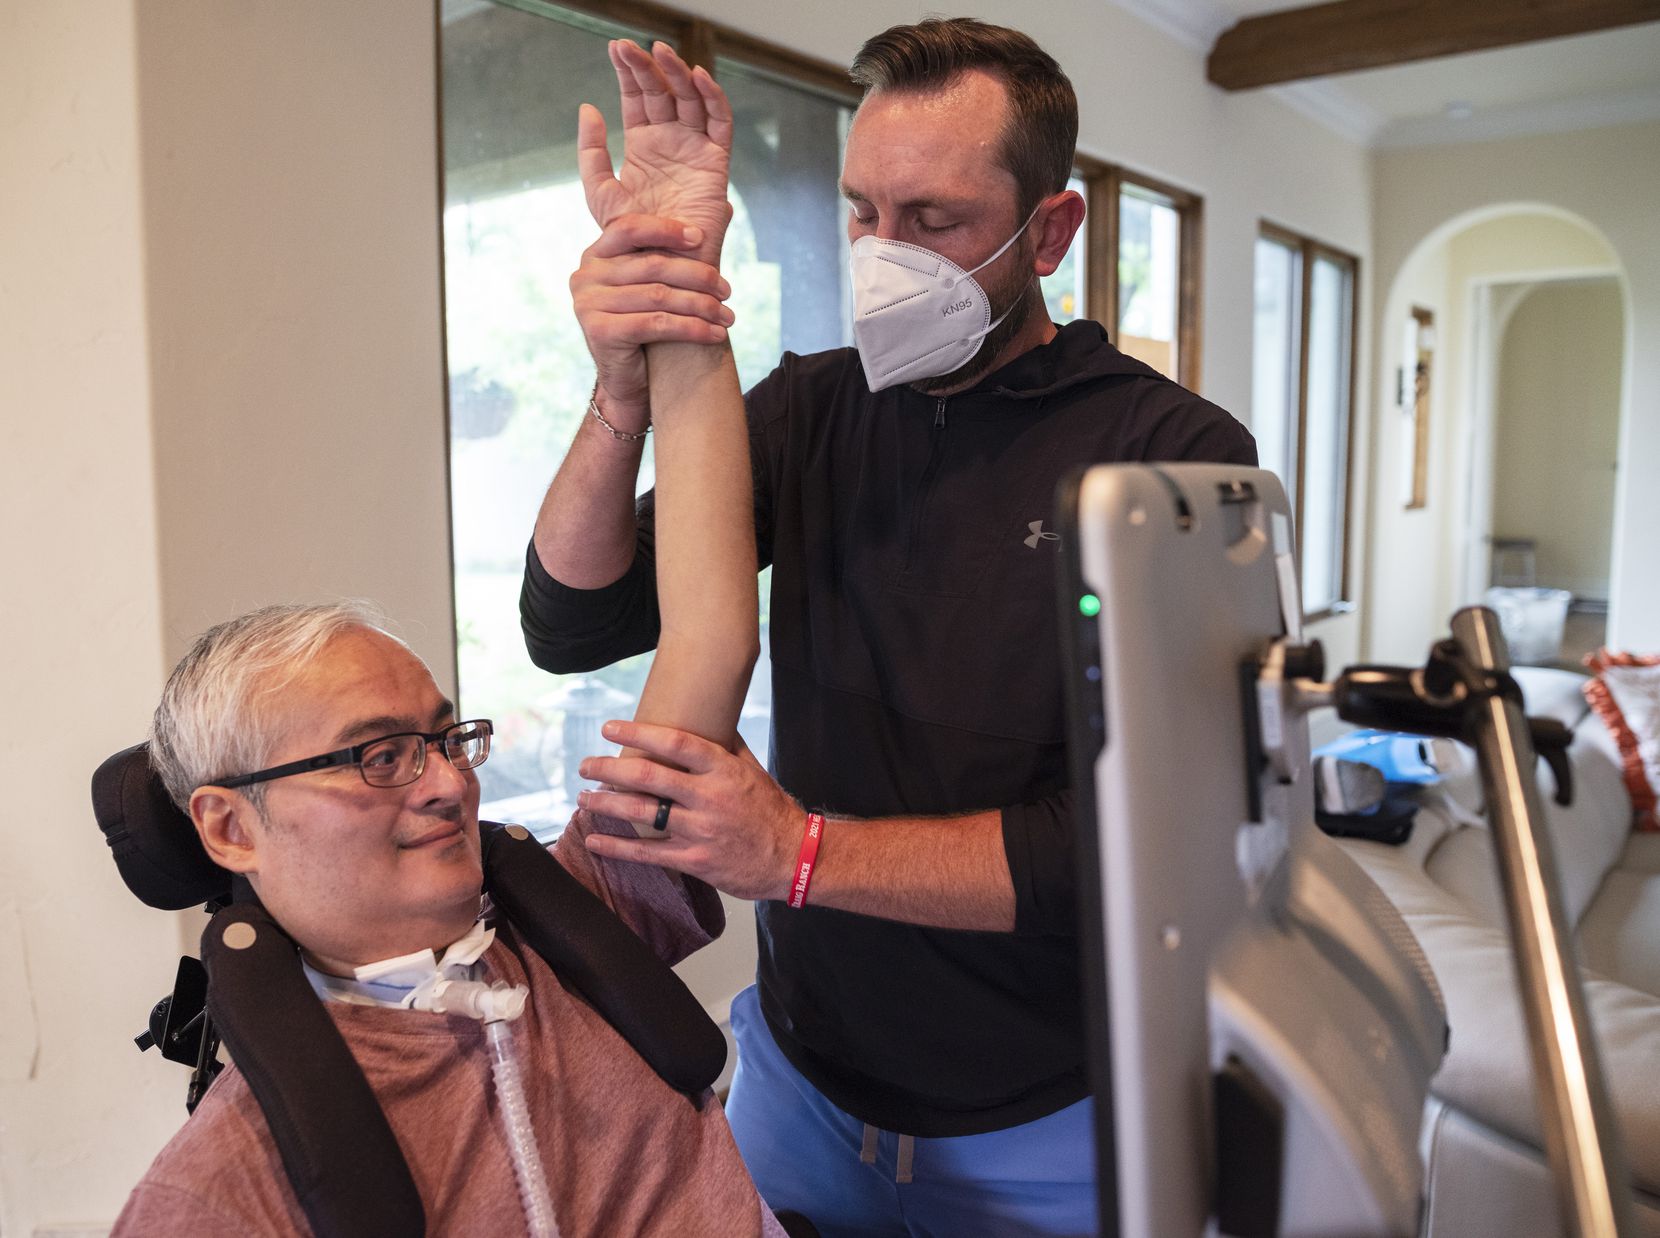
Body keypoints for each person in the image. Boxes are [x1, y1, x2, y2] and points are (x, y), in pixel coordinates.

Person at [522, 18, 1257, 1236]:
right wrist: (621, 391)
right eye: (861, 212)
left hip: (1047, 1114)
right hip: (801, 1085)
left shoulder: (1170, 456)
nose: (881, 254)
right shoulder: (815, 407)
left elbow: (1151, 840)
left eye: (934, 221)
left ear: (1050, 230)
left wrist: (796, 852)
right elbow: (571, 615)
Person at [116, 42, 786, 1238]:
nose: (449, 782)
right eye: (379, 755)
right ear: (228, 823)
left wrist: (680, 296)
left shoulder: (589, 922)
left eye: (444, 736)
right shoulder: (221, 1193)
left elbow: (712, 636)